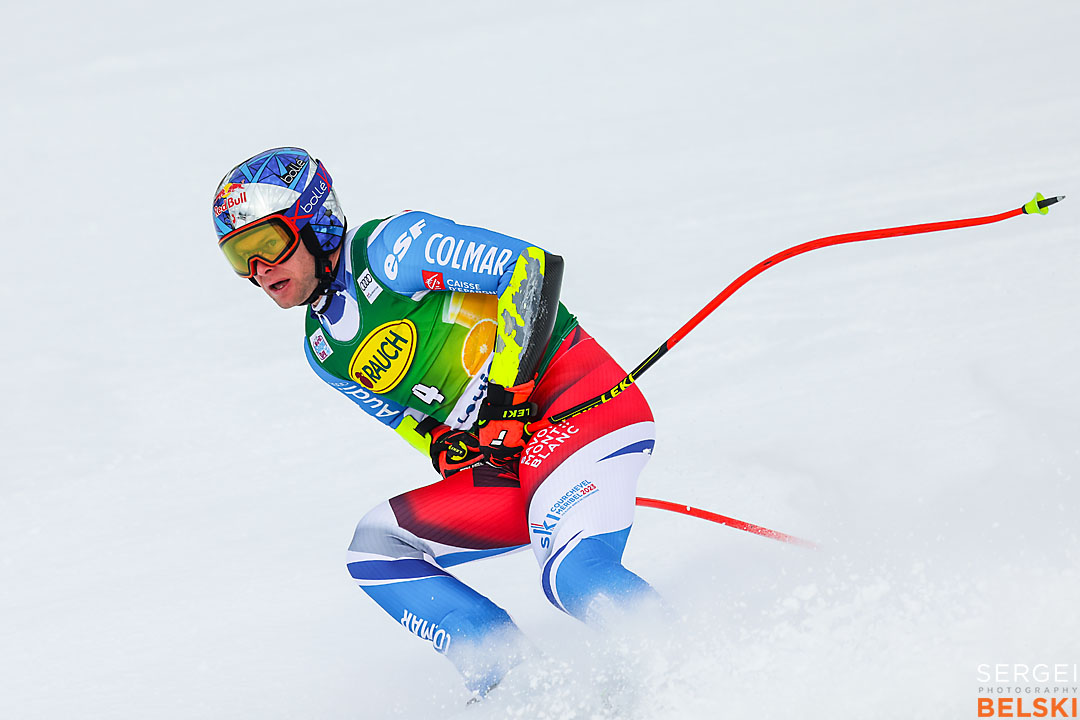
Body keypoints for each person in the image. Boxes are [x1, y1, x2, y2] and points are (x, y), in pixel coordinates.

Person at [212, 146, 660, 696]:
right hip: (517, 461)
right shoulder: (323, 347)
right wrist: (447, 445)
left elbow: (532, 269)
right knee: (376, 549)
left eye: (267, 244)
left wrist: (507, 397)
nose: (260, 271)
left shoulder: (391, 248)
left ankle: (689, 674)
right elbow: (412, 420)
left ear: (316, 220)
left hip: (582, 406)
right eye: (240, 257)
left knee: (571, 574)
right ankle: (518, 687)